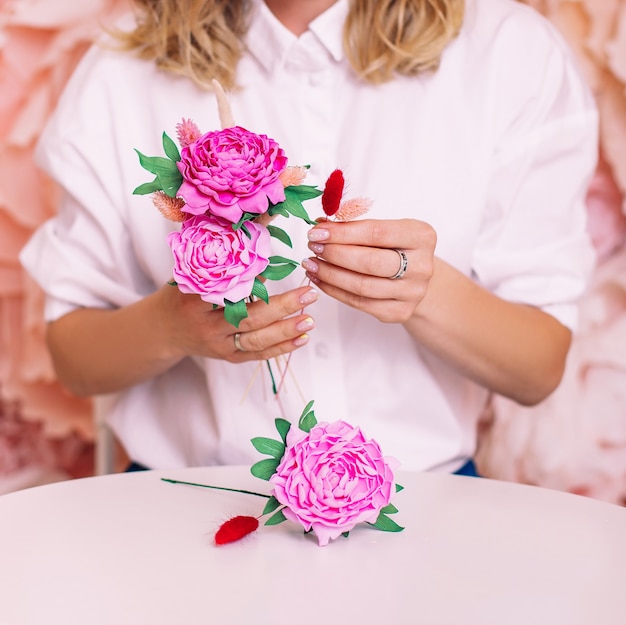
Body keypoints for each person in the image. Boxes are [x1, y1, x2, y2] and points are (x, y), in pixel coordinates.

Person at [20, 0, 598, 475]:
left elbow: (537, 368)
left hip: (428, 507)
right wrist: (173, 325)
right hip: (181, 511)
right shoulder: (124, 65)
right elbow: (76, 359)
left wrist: (425, 294)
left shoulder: (508, 53)